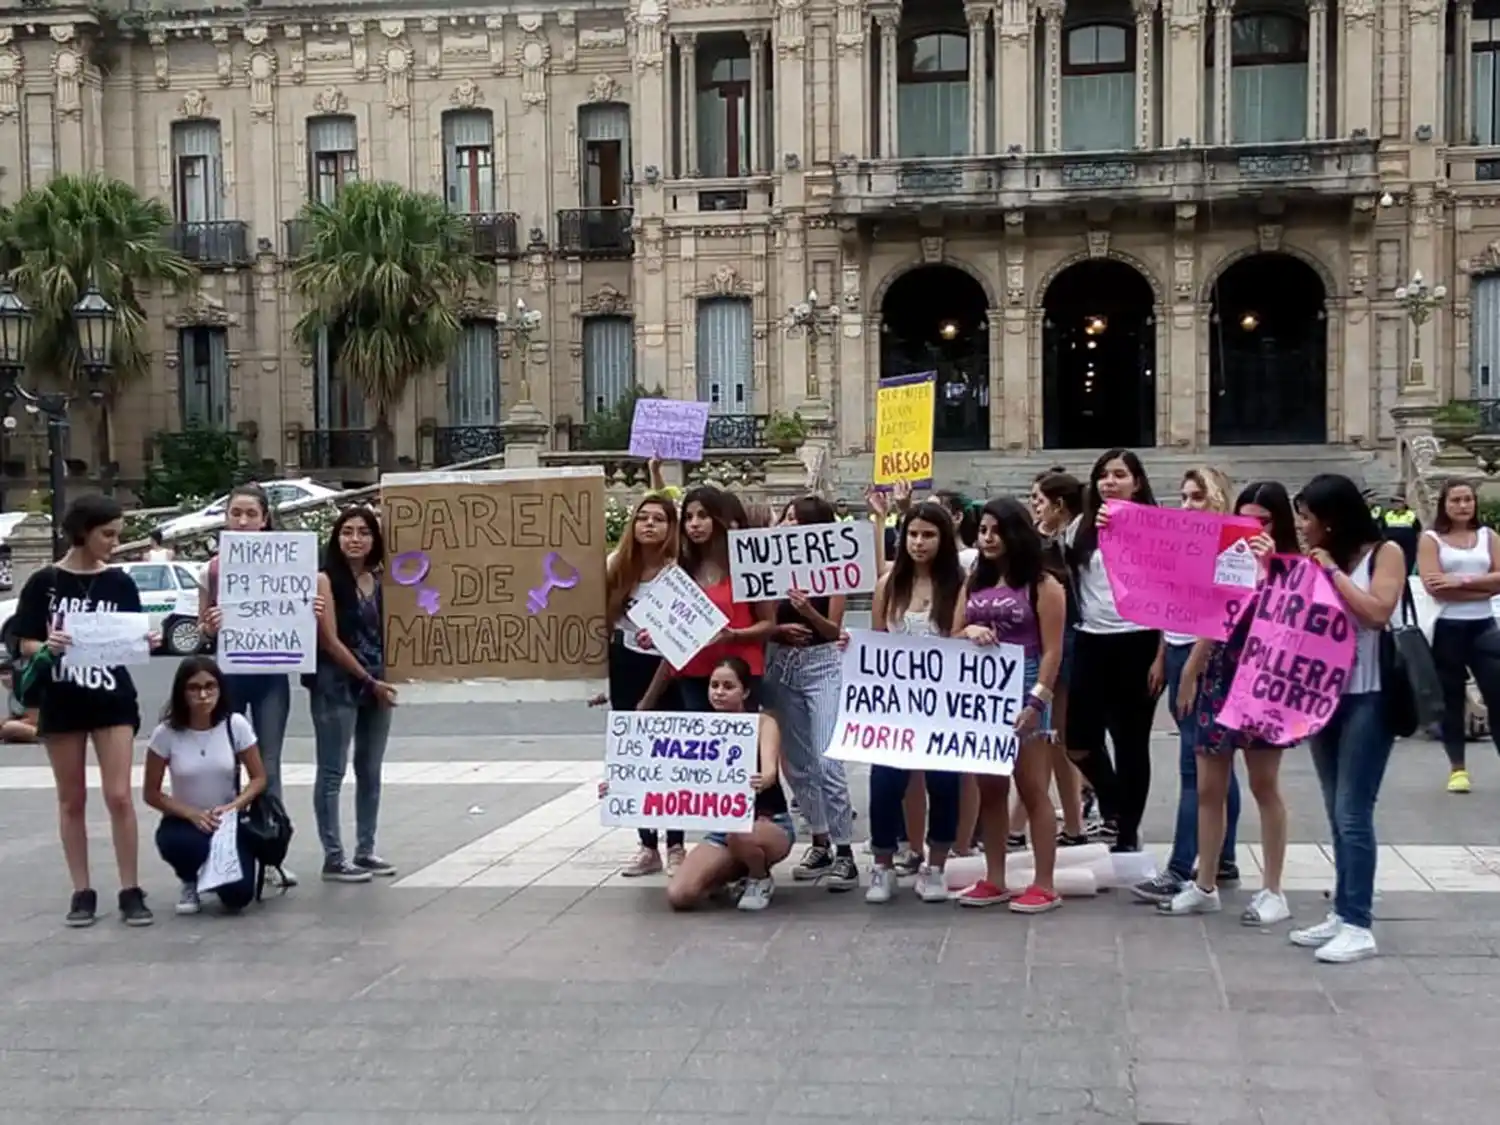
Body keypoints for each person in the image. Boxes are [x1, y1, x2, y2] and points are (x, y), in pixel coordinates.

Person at [1160, 481, 1298, 926]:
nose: (1253, 527)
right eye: (1246, 517)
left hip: (1263, 681)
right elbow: (1214, 616)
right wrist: (1190, 670)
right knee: (1207, 786)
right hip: (1219, 676)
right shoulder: (1229, 559)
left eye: (1263, 519)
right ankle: (1205, 883)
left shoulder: (1292, 568)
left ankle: (1274, 888)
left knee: (1264, 785)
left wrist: (1270, 563)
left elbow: (1296, 625)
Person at [13, 494, 155, 926]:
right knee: (71, 799)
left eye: (118, 534)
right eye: (107, 534)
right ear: (82, 532)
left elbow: (130, 635)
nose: (115, 543)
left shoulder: (120, 582)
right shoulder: (44, 582)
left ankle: (130, 888)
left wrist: (143, 642)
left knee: (118, 795)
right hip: (62, 697)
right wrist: (47, 646)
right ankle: (82, 890)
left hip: (112, 696)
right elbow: (23, 642)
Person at [1289, 474, 1404, 963]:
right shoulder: (1315, 561)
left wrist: (1332, 572)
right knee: (1335, 810)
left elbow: (1377, 613)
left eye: (1307, 518)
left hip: (1370, 696)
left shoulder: (1386, 553)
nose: (1301, 527)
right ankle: (1342, 908)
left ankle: (1359, 923)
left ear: (1331, 519)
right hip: (1323, 697)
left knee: (1354, 811)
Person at [1132, 467, 1246, 904]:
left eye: (1197, 497)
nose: (1187, 505)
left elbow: (1219, 616)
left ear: (1218, 499)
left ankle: (1181, 867)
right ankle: (1225, 855)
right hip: (1178, 649)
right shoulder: (1183, 544)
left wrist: (1192, 672)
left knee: (1193, 766)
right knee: (1213, 762)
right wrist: (1163, 656)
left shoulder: (1230, 545)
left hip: (1209, 658)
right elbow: (1172, 606)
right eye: (1182, 496)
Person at [955, 498, 1067, 913]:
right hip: (981, 696)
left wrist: (1038, 701)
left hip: (1025, 689)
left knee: (1033, 787)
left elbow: (1053, 651)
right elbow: (952, 632)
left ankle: (1045, 882)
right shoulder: (974, 581)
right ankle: (995, 876)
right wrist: (970, 629)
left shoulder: (1043, 584)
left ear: (1014, 534)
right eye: (982, 530)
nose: (986, 538)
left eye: (995, 530)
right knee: (990, 788)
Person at [198, 483, 309, 888]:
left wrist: (311, 609)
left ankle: (271, 851)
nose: (242, 521)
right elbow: (200, 631)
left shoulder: (289, 564)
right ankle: (223, 853)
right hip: (229, 677)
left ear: (265, 520)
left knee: (269, 766)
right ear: (226, 518)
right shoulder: (212, 568)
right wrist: (208, 627)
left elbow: (301, 618)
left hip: (270, 678)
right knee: (223, 767)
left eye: (250, 514)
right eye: (235, 513)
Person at [862, 500, 967, 904]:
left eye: (928, 534)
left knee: (944, 783)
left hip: (943, 705)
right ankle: (883, 864)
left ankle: (936, 866)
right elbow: (875, 640)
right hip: (894, 704)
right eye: (912, 534)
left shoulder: (960, 585)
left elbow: (960, 639)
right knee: (885, 783)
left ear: (944, 539)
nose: (919, 543)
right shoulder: (888, 585)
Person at [1065, 449, 1165, 853]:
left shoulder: (1157, 529)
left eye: (1119, 474)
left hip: (1139, 641)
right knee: (1078, 739)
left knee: (1130, 741)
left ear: (1137, 482)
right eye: (1102, 475)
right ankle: (1115, 803)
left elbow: (1172, 595)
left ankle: (1127, 832)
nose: (1109, 482)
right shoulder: (1080, 528)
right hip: (1093, 639)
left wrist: (1161, 655)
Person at [763, 495, 859, 892]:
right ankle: (819, 840)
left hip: (821, 664)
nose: (791, 524)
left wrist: (806, 611)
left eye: (798, 519)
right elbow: (764, 617)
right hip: (782, 664)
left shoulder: (833, 570)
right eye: (787, 517)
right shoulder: (772, 569)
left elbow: (834, 630)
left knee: (827, 758)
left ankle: (845, 852)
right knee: (798, 762)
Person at [308, 505, 399, 883]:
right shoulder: (325, 580)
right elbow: (328, 640)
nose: (355, 539)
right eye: (347, 531)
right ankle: (334, 856)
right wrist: (366, 679)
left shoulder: (381, 580)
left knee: (370, 768)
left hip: (378, 685)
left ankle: (365, 849)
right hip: (338, 683)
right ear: (336, 537)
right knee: (332, 770)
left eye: (364, 532)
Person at [660, 657, 795, 911]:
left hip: (766, 822)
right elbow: (666, 776)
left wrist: (763, 778)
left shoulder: (763, 723)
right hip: (723, 830)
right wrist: (620, 788)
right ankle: (731, 872)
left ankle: (759, 877)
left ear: (744, 691)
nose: (719, 692)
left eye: (728, 686)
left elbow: (769, 770)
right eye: (714, 685)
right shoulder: (699, 730)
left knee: (739, 834)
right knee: (681, 895)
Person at [597, 493, 685, 876]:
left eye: (659, 519)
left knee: (671, 753)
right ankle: (647, 844)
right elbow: (597, 626)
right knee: (633, 754)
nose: (649, 525)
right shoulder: (616, 567)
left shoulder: (679, 570)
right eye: (642, 518)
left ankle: (677, 843)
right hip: (626, 662)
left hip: (670, 668)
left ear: (671, 528)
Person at [142, 656, 266, 915]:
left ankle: (220, 875)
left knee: (238, 897)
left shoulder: (235, 725)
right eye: (194, 688)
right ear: (182, 692)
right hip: (186, 820)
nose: (203, 695)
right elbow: (151, 794)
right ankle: (191, 879)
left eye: (210, 686)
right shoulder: (166, 733)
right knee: (179, 844)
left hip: (228, 821)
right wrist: (190, 813)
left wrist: (234, 806)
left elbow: (259, 778)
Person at [638, 487, 774, 715]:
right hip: (693, 675)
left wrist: (734, 635)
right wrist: (658, 637)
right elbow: (674, 637)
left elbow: (769, 624)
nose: (694, 524)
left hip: (739, 677)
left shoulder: (747, 564)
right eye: (689, 518)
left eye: (703, 516)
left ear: (719, 518)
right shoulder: (681, 571)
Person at [1416, 478, 1500, 793]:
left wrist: (1459, 582)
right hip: (1448, 626)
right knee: (1450, 698)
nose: (1463, 506)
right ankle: (1457, 768)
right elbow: (1433, 585)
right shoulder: (1432, 539)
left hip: (1484, 626)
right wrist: (1481, 584)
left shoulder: (1487, 536)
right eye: (1456, 500)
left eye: (1467, 500)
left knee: (1497, 696)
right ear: (1444, 504)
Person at [1031, 470, 1090, 847]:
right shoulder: (1052, 541)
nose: (1033, 506)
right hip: (1055, 643)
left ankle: (1075, 821)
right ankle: (1070, 822)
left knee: (1057, 738)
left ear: (1058, 505)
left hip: (1067, 645)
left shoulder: (1075, 544)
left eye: (1038, 499)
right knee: (1051, 739)